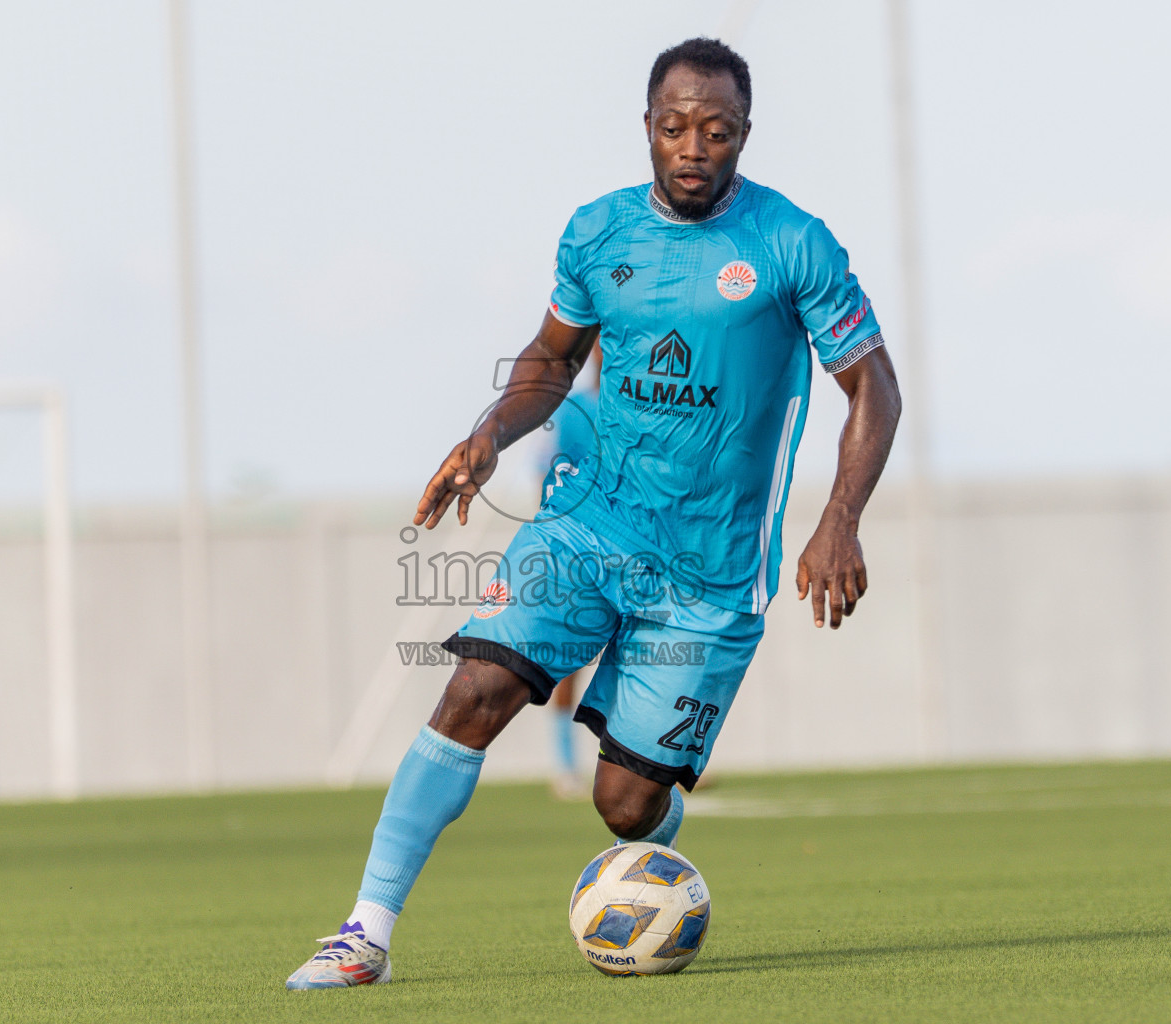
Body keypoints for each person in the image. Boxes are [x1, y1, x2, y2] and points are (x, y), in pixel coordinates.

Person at [286, 37, 901, 989]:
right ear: (647, 128)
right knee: (473, 691)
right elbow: (550, 359)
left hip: (710, 570)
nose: (693, 146)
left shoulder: (792, 243)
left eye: (716, 130)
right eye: (673, 127)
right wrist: (491, 431)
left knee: (623, 803)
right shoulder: (597, 233)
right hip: (589, 528)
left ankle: (656, 852)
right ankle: (364, 930)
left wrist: (840, 518)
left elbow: (875, 390)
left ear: (744, 136)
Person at [542, 338, 600, 799]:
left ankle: (654, 764)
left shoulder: (646, 407)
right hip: (581, 542)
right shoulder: (575, 410)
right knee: (569, 658)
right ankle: (564, 764)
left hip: (640, 547)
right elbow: (553, 471)